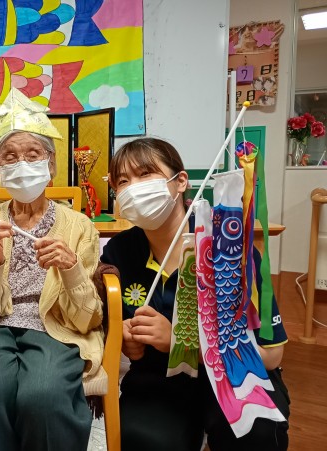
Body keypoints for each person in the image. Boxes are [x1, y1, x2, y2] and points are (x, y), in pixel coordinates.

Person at [100, 138, 290, 451]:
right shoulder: (119, 253)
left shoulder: (230, 245)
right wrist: (127, 339)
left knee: (254, 432)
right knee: (141, 439)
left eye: (145, 174)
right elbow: (121, 335)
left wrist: (180, 343)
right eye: (122, 181)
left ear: (181, 182)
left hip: (238, 375)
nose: (133, 187)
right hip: (159, 379)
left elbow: (272, 356)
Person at [0, 89, 104, 451]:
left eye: (33, 155)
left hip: (54, 328)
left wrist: (71, 268)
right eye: (10, 157)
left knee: (44, 396)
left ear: (51, 164)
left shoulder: (79, 227)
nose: (22, 164)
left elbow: (87, 319)